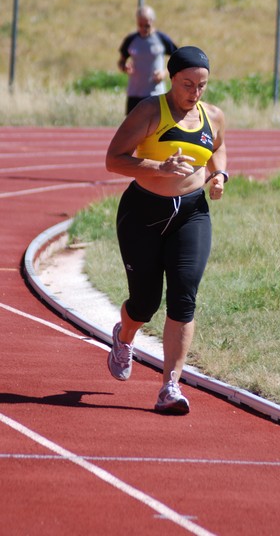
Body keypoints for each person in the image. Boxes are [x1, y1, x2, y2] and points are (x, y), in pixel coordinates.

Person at [105, 46, 228, 415]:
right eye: (188, 84)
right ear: (171, 78)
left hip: (191, 214)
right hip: (143, 213)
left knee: (184, 295)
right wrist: (158, 166)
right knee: (144, 303)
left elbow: (217, 149)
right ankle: (124, 335)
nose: (195, 92)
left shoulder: (214, 116)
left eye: (202, 85)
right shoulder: (148, 111)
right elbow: (113, 160)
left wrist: (219, 175)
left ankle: (170, 387)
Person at [118, 5, 178, 115]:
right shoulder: (131, 40)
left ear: (152, 21)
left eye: (147, 25)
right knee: (133, 129)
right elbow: (121, 61)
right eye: (140, 25)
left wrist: (164, 73)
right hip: (134, 93)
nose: (143, 29)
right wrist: (125, 67)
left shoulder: (161, 39)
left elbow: (178, 59)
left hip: (155, 92)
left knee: (156, 127)